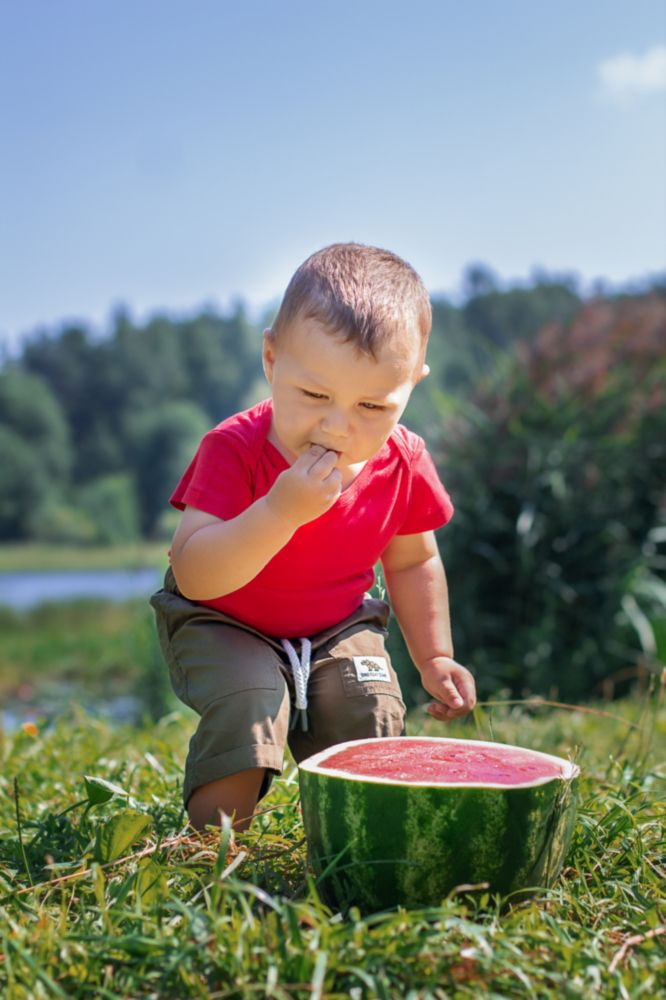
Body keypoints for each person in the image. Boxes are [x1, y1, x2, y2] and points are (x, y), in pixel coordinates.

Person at [151, 242, 476, 832]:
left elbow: (411, 562)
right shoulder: (235, 448)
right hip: (224, 619)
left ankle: (361, 846)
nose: (337, 425)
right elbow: (195, 571)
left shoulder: (402, 463)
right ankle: (210, 852)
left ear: (412, 385)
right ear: (272, 359)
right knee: (250, 700)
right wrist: (279, 512)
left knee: (368, 704)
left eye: (373, 405)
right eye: (314, 395)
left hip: (336, 624)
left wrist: (434, 656)